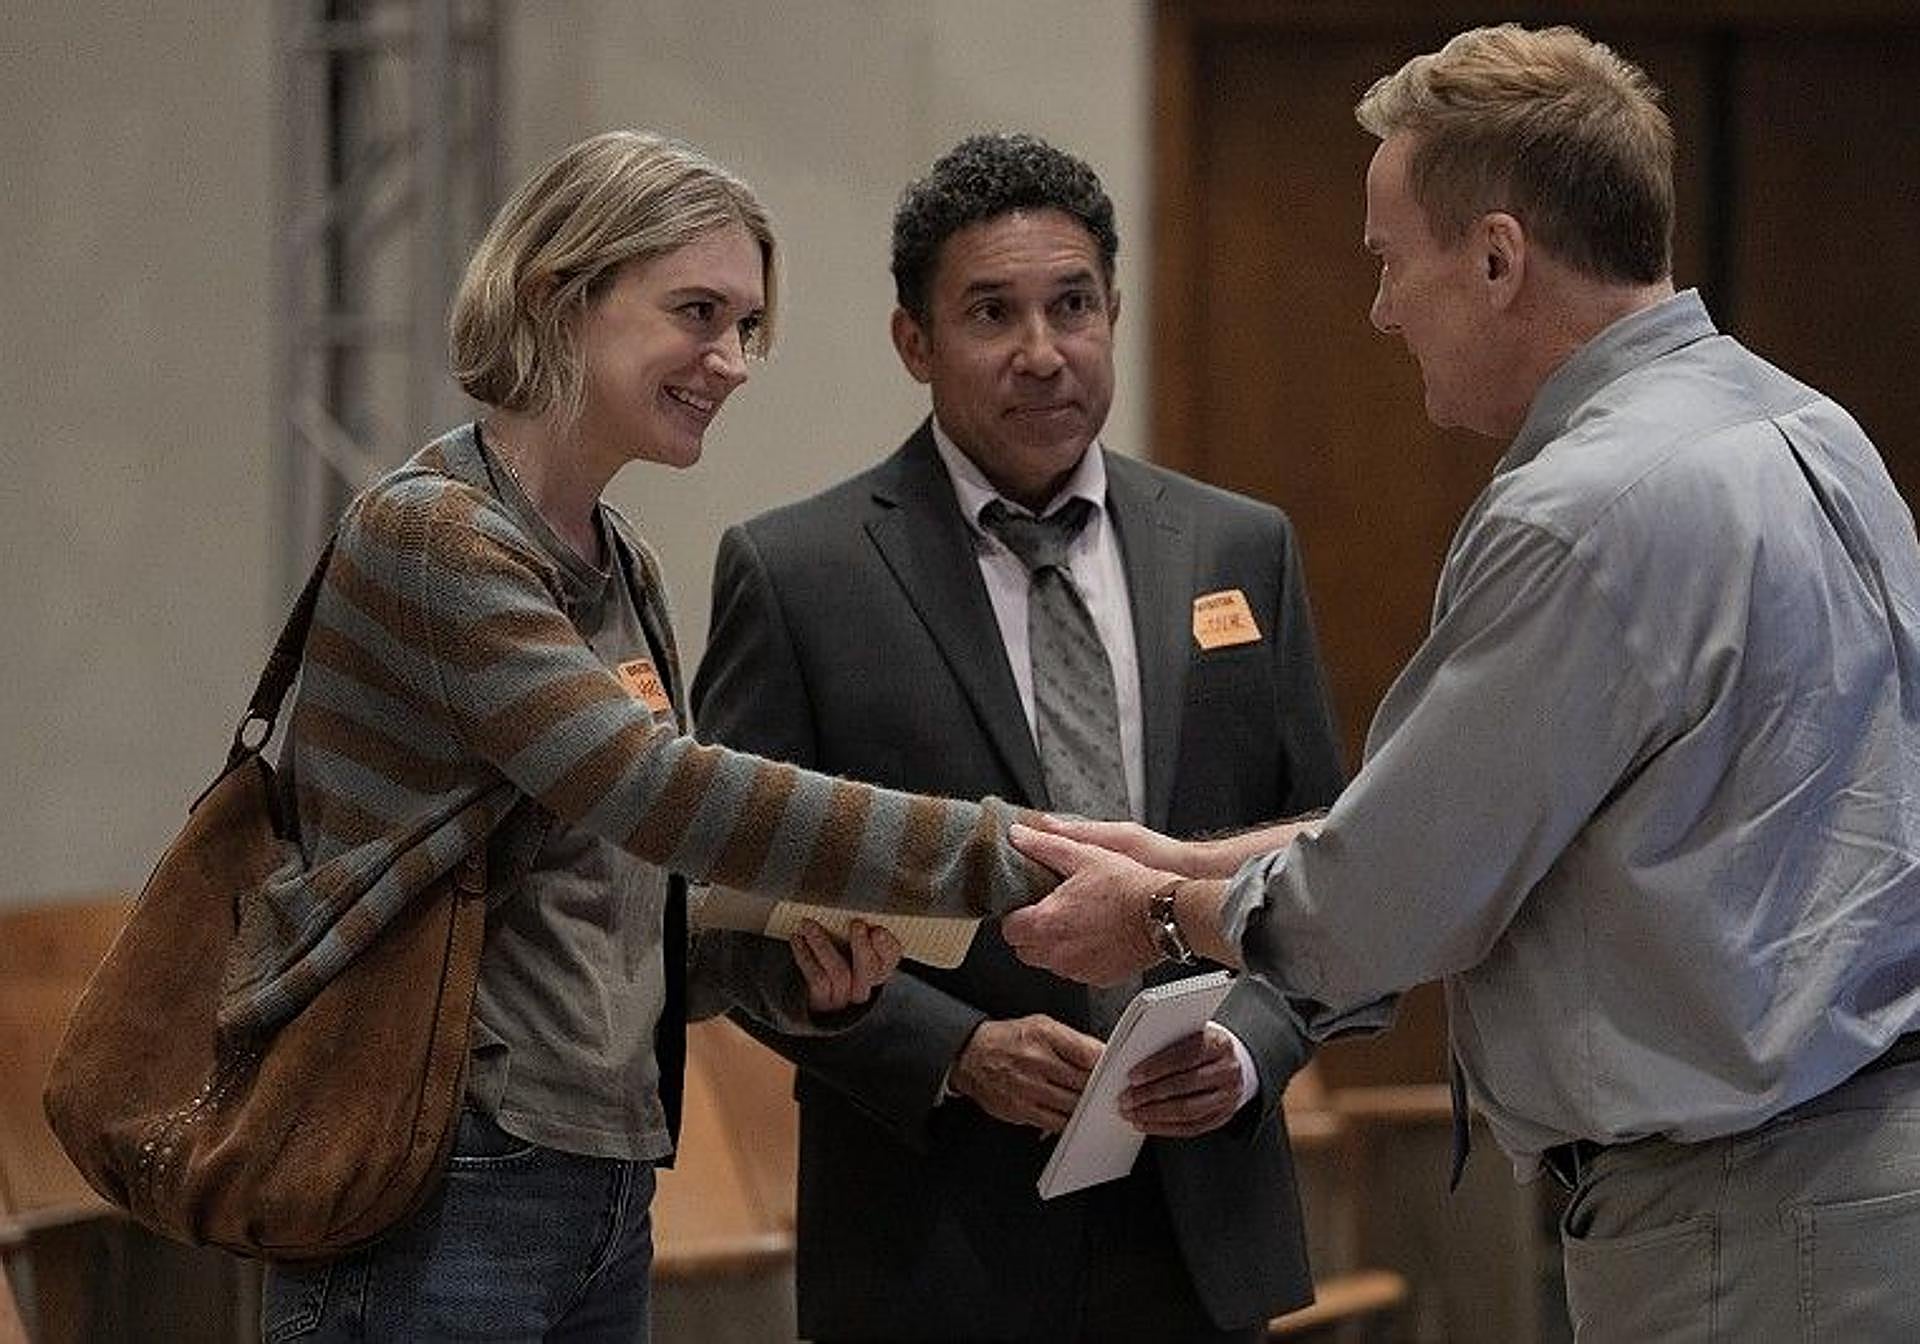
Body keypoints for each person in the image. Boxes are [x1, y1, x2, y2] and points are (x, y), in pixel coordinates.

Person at [1002, 23, 1920, 1342]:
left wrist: (1155, 912)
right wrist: (1192, 860)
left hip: (1746, 1218)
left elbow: (1382, 911)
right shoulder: (1807, 426)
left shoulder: (1582, 510)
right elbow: (1517, 826)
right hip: (1855, 1176)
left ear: (1496, 258)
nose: (1381, 309)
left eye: (1390, 260)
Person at [245, 130, 1054, 1343]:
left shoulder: (620, 562)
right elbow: (664, 796)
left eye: (747, 327)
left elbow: (615, 903)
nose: (731, 361)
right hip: (440, 1177)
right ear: (560, 293)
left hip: (598, 1178)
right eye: (698, 313)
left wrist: (780, 973)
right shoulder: (432, 538)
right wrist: (1017, 853)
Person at [692, 132, 1347, 1343]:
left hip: (1199, 1229)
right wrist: (957, 1050)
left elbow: (1329, 859)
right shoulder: (799, 575)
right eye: (992, 313)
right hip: (934, 1239)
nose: (1042, 353)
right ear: (915, 342)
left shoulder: (1238, 547)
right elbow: (732, 916)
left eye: (1073, 305)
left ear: (1114, 314)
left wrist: (1247, 1049)